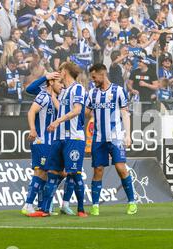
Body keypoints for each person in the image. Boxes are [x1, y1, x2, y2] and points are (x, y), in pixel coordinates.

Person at [28, 62, 88, 217]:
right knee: (53, 173)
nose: (58, 73)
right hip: (58, 138)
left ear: (65, 71)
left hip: (74, 138)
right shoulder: (62, 91)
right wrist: (46, 80)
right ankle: (44, 210)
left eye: (60, 70)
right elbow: (33, 91)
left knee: (74, 173)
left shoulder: (78, 88)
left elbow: (77, 110)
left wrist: (57, 121)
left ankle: (81, 209)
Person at [86, 63, 137, 216]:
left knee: (121, 168)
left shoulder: (118, 90)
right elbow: (86, 113)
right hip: (98, 138)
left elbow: (125, 113)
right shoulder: (92, 93)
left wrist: (127, 134)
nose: (93, 80)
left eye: (94, 77)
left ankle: (132, 202)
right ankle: (95, 205)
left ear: (103, 74)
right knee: (98, 170)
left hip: (116, 137)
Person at [21, 71, 62, 215]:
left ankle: (42, 206)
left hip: (51, 142)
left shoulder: (56, 98)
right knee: (40, 171)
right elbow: (31, 111)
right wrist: (33, 129)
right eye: (59, 82)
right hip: (41, 140)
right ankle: (28, 204)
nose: (62, 86)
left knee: (49, 173)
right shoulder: (43, 95)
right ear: (51, 82)